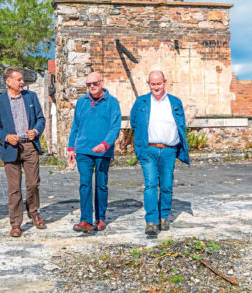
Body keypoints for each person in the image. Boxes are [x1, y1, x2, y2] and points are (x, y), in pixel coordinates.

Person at [130, 70, 190, 236]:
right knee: (150, 184)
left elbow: (181, 124)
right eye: (153, 84)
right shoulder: (141, 102)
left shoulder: (174, 102)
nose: (156, 87)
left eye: (159, 83)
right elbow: (134, 123)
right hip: (149, 149)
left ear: (164, 82)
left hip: (169, 150)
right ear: (148, 84)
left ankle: (164, 217)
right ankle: (151, 221)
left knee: (167, 185)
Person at [0, 67, 46, 237]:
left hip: (30, 146)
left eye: (22, 80)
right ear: (8, 82)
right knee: (14, 188)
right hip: (11, 148)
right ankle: (15, 223)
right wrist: (6, 137)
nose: (22, 82)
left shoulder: (31, 97)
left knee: (33, 184)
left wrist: (35, 131)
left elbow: (41, 119)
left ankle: (34, 213)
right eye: (19, 80)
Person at [67, 72, 122, 233]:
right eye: (89, 84)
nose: (92, 87)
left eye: (95, 83)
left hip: (103, 151)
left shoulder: (112, 103)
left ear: (102, 82)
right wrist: (71, 148)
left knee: (101, 185)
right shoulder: (82, 102)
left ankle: (100, 217)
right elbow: (75, 126)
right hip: (83, 149)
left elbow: (115, 127)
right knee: (85, 184)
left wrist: (105, 144)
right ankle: (85, 220)